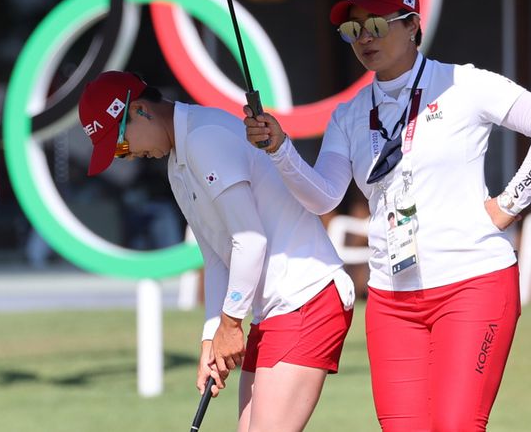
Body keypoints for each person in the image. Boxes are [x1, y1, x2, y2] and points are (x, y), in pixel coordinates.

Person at [244, 0, 531, 431]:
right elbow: (324, 197)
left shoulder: (464, 84)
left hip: (472, 284)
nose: (364, 38)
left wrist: (508, 205)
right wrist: (281, 148)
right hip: (390, 298)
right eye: (353, 29)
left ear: (413, 26)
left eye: (377, 25)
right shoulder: (350, 113)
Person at [79, 71, 355, 432]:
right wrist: (211, 336)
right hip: (272, 311)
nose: (126, 157)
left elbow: (250, 239)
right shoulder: (177, 165)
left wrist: (230, 324)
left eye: (121, 145)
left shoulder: (203, 138)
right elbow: (216, 257)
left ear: (142, 111)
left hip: (306, 298)